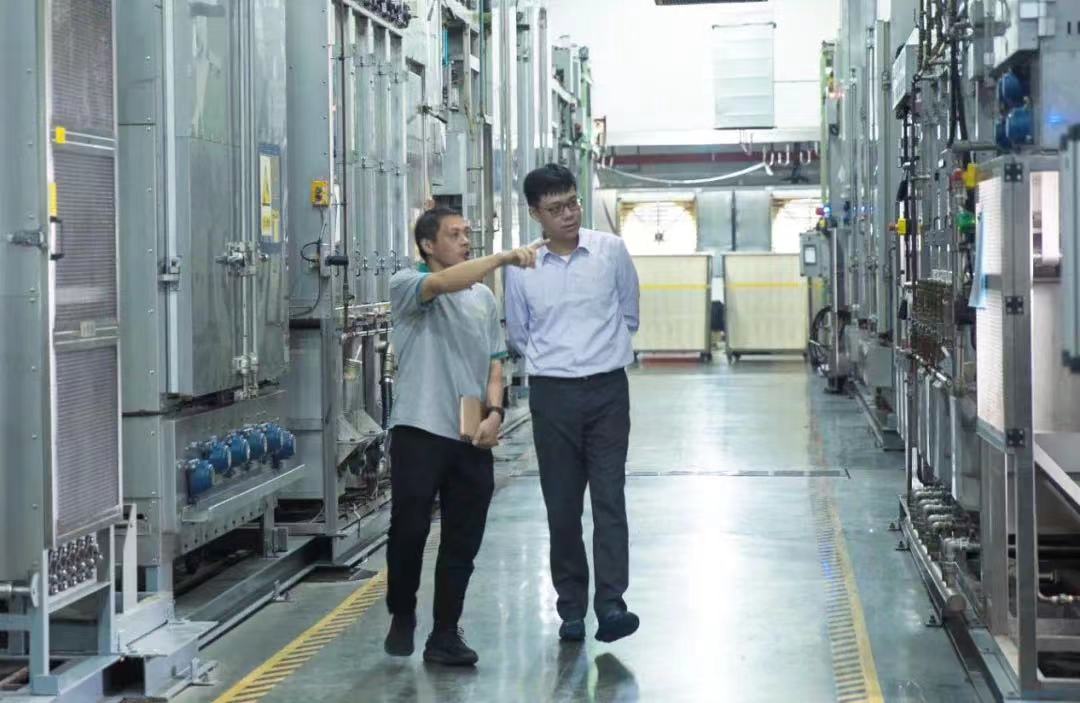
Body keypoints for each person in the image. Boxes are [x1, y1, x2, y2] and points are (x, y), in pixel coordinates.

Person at [384, 207, 544, 666]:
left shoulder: (483, 298)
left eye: (467, 233)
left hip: (469, 432)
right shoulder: (408, 284)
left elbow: (494, 361)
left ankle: (444, 634)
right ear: (428, 245)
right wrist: (503, 259)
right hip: (419, 428)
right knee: (410, 530)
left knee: (463, 539)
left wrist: (495, 413)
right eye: (454, 234)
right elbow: (442, 284)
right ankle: (402, 611)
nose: (464, 240)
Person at [504, 164, 641, 644]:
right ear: (535, 214)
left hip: (608, 392)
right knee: (561, 506)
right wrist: (560, 362)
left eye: (573, 203)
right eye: (555, 208)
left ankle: (612, 604)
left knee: (609, 499)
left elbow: (629, 313)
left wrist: (597, 355)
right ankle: (571, 610)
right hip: (552, 395)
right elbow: (518, 333)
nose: (568, 214)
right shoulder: (522, 267)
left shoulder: (611, 251)